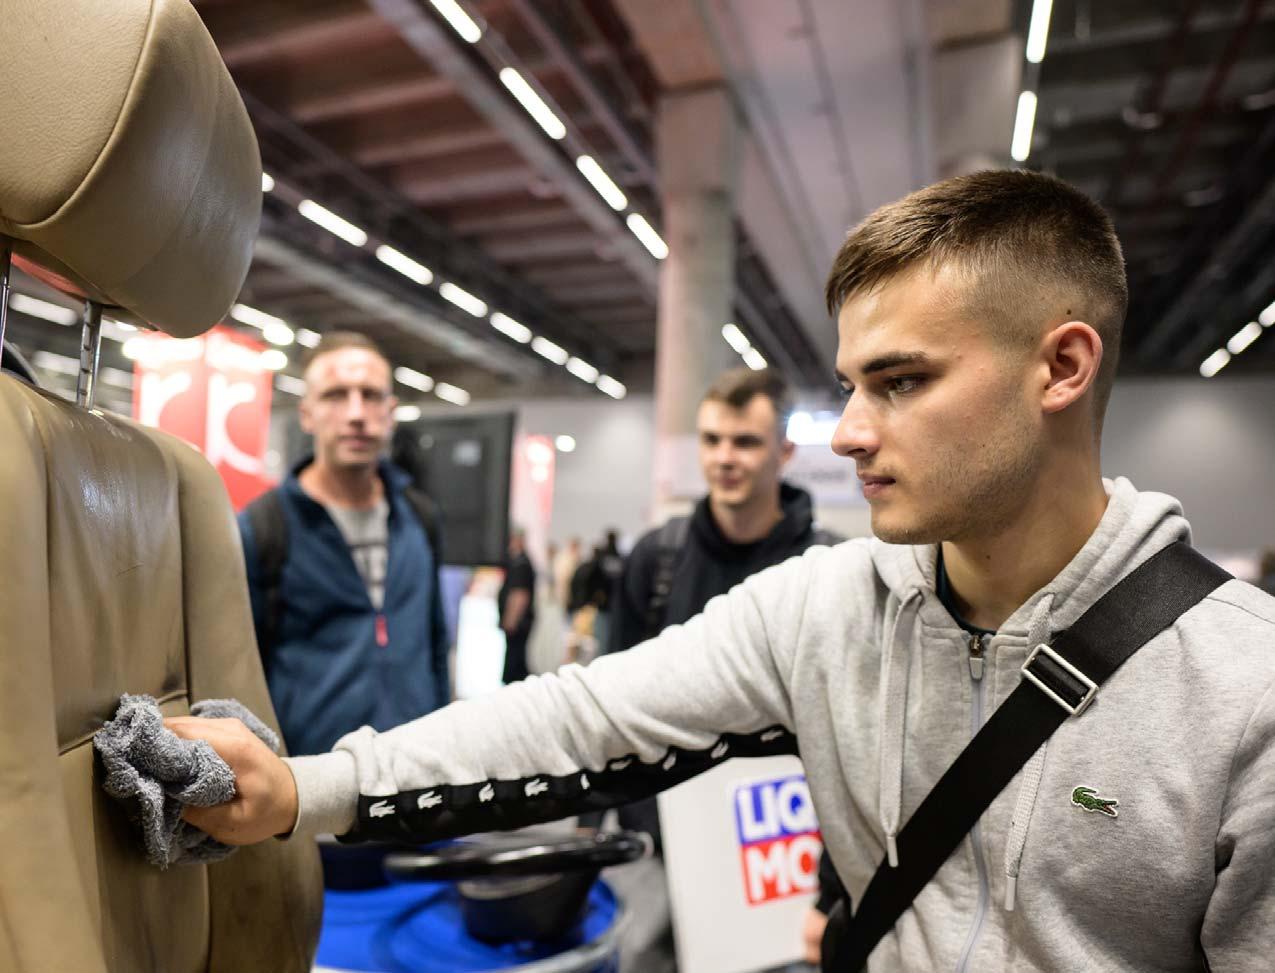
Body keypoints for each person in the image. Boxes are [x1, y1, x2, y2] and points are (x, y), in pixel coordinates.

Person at [170, 171, 1275, 971]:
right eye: (849, 386)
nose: (848, 432)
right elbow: (581, 715)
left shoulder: (1243, 695)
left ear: (1062, 366)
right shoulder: (827, 607)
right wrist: (302, 786)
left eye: (900, 382)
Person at [599, 365, 843, 969]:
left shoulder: (830, 569)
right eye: (711, 440)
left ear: (784, 451)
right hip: (664, 840)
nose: (724, 458)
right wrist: (610, 817)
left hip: (780, 846)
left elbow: (853, 732)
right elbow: (610, 700)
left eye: (745, 442)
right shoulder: (658, 560)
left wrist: (834, 879)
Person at [238, 331, 449, 757]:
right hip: (312, 775)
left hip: (414, 768)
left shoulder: (418, 517)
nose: (356, 414)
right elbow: (241, 669)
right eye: (335, 395)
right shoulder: (264, 527)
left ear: (390, 412)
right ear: (307, 414)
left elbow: (436, 645)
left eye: (371, 395)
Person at [497, 528, 536, 683]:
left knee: (515, 662)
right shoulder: (520, 562)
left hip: (519, 623)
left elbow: (520, 595)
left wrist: (511, 620)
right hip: (520, 622)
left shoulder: (521, 564)